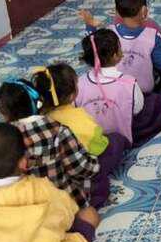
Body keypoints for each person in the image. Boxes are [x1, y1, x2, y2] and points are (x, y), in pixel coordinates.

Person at [33, 63, 129, 208]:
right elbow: (99, 148)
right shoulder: (79, 118)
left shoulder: (38, 120)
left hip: (54, 177)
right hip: (82, 169)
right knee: (116, 140)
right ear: (73, 94)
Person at [0, 79, 99, 209]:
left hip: (25, 204)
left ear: (4, 113)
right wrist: (94, 162)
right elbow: (79, 168)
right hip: (62, 201)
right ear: (38, 102)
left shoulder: (1, 139)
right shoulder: (58, 130)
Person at [75, 29, 161, 148]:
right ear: (115, 56)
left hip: (92, 135)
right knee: (155, 101)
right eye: (119, 47)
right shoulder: (129, 83)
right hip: (124, 133)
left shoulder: (79, 83)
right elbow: (137, 109)